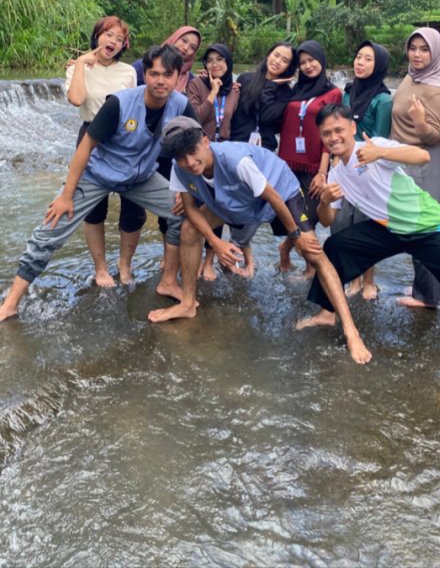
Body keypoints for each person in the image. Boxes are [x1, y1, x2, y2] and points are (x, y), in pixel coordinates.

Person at [0, 45, 191, 328]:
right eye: (154, 74)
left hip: (140, 178)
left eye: (167, 74)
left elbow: (190, 148)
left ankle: (168, 281)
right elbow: (86, 146)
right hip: (98, 174)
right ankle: (10, 304)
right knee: (50, 230)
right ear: (145, 74)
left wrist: (184, 190)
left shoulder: (181, 106)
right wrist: (66, 195)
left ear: (178, 76)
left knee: (182, 213)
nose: (160, 81)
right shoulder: (120, 103)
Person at [150, 119, 371, 364]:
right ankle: (188, 303)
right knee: (189, 229)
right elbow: (189, 208)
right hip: (237, 203)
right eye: (182, 158)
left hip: (281, 194)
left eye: (193, 152)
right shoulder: (179, 167)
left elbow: (273, 196)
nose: (190, 162)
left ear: (205, 141)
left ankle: (351, 331)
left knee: (313, 253)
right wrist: (215, 241)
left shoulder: (236, 160)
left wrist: (296, 236)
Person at [297, 105, 440, 349]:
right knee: (336, 247)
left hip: (426, 226)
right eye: (326, 134)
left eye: (338, 130)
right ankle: (327, 313)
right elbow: (327, 220)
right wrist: (324, 201)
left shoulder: (373, 146)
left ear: (352, 128)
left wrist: (380, 153)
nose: (333, 137)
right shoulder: (336, 175)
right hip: (389, 229)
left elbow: (422, 156)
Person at [64, 15, 141, 288]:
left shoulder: (129, 72)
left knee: (133, 207)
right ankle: (101, 269)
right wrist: (81, 64)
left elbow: (135, 109)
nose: (113, 42)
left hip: (124, 141)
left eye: (119, 39)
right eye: (109, 35)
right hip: (91, 138)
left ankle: (125, 266)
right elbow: (76, 99)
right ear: (97, 35)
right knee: (94, 208)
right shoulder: (78, 67)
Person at [391, 27, 440, 313]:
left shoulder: (437, 90)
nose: (417, 54)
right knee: (411, 224)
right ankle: (421, 285)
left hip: (425, 163)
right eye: (413, 48)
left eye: (424, 49)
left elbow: (434, 136)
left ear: (436, 53)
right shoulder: (411, 77)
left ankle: (428, 296)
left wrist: (419, 121)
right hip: (404, 160)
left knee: (425, 226)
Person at [337, 40, 394, 302]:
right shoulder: (348, 93)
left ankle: (370, 280)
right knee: (344, 225)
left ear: (378, 65)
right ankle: (355, 279)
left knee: (366, 225)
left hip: (369, 170)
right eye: (358, 57)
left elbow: (380, 140)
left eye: (368, 59)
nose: (360, 63)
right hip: (344, 166)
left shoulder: (383, 100)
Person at [276, 41, 342, 271]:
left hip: (314, 165)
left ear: (321, 60)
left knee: (310, 214)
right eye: (302, 62)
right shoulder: (295, 90)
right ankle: (309, 266)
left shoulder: (333, 93)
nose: (307, 66)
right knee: (294, 212)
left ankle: (287, 250)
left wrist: (323, 171)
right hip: (287, 162)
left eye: (311, 60)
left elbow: (330, 134)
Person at [230, 43, 298, 150]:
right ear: (269, 54)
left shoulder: (285, 93)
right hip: (237, 144)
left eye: (284, 61)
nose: (278, 61)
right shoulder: (245, 79)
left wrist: (271, 86)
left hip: (264, 148)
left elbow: (266, 116)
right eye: (276, 55)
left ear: (289, 66)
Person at [195, 43, 240, 141]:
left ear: (228, 62)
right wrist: (213, 92)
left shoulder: (235, 90)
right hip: (199, 144)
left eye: (219, 59)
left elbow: (237, 127)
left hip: (225, 146)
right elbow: (194, 119)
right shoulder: (196, 84)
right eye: (209, 61)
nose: (214, 65)